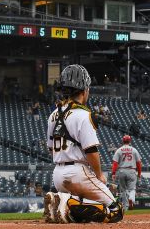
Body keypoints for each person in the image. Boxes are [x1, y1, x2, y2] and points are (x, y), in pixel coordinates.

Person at [44, 64, 123, 224]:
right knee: (116, 211)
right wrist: (99, 175)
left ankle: (62, 204)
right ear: (84, 89)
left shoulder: (53, 114)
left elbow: (50, 148)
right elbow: (91, 150)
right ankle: (67, 204)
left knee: (88, 207)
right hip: (78, 172)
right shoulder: (84, 114)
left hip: (57, 175)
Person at [112, 135, 142, 211]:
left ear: (123, 141)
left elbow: (115, 163)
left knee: (123, 190)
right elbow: (138, 163)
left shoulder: (119, 150)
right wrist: (139, 173)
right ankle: (131, 199)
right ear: (130, 141)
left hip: (122, 170)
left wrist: (113, 173)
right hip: (132, 170)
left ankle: (125, 207)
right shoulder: (134, 150)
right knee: (132, 189)